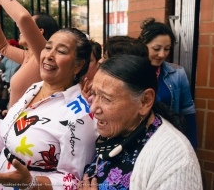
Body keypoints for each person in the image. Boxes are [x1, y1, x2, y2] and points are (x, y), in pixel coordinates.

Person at [0, 27, 97, 190]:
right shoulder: (34, 88)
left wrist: (31, 183)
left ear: (78, 65)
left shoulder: (80, 116)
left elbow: (76, 180)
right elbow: (12, 132)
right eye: (48, 47)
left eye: (61, 51)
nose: (49, 55)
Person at [81, 55, 202, 190]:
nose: (93, 108)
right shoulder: (114, 128)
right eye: (94, 94)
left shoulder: (176, 159)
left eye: (106, 99)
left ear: (145, 101)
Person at [0, 0, 59, 107]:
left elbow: (23, 18)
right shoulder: (27, 56)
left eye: (26, 27)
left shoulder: (44, 54)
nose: (20, 29)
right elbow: (3, 47)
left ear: (39, 31)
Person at [138, 17, 198, 150]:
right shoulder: (131, 72)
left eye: (167, 49)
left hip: (167, 142)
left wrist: (191, 144)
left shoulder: (177, 73)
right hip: (137, 142)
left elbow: (187, 109)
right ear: (143, 45)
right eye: (156, 48)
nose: (162, 54)